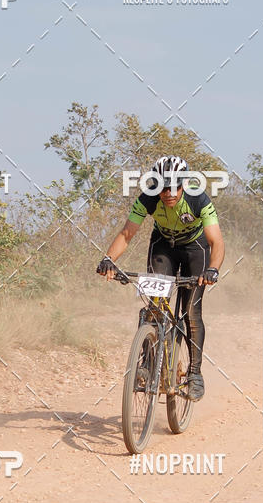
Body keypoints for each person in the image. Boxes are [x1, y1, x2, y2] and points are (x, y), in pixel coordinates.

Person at [96, 155, 224, 400]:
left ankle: (195, 373)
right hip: (164, 246)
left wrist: (213, 269)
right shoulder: (148, 198)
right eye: (163, 187)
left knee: (190, 311)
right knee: (154, 306)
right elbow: (126, 233)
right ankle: (146, 361)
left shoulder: (198, 199)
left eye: (174, 186)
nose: (168, 193)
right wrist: (109, 260)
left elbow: (216, 241)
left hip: (195, 250)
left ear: (183, 184)